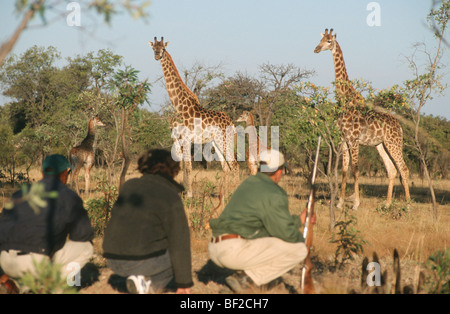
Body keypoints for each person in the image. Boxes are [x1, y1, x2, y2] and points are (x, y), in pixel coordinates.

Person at [208, 149, 315, 292]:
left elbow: (268, 223)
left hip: (215, 249)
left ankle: (236, 288)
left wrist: (299, 220)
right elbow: (285, 232)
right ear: (279, 171)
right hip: (233, 252)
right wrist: (305, 247)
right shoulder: (273, 192)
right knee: (298, 250)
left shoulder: (249, 182)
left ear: (260, 168)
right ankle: (246, 280)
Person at [102, 149, 193, 294]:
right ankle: (145, 282)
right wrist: (183, 282)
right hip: (142, 260)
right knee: (175, 257)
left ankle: (134, 277)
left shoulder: (129, 186)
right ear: (174, 169)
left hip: (113, 259)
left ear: (144, 166)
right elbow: (179, 241)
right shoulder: (170, 195)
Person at [0, 154, 94, 291]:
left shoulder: (20, 194)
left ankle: (26, 287)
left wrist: (2, 274)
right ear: (64, 174)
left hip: (7, 261)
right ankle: (59, 287)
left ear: (42, 173)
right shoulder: (68, 196)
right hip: (37, 261)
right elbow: (83, 236)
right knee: (86, 248)